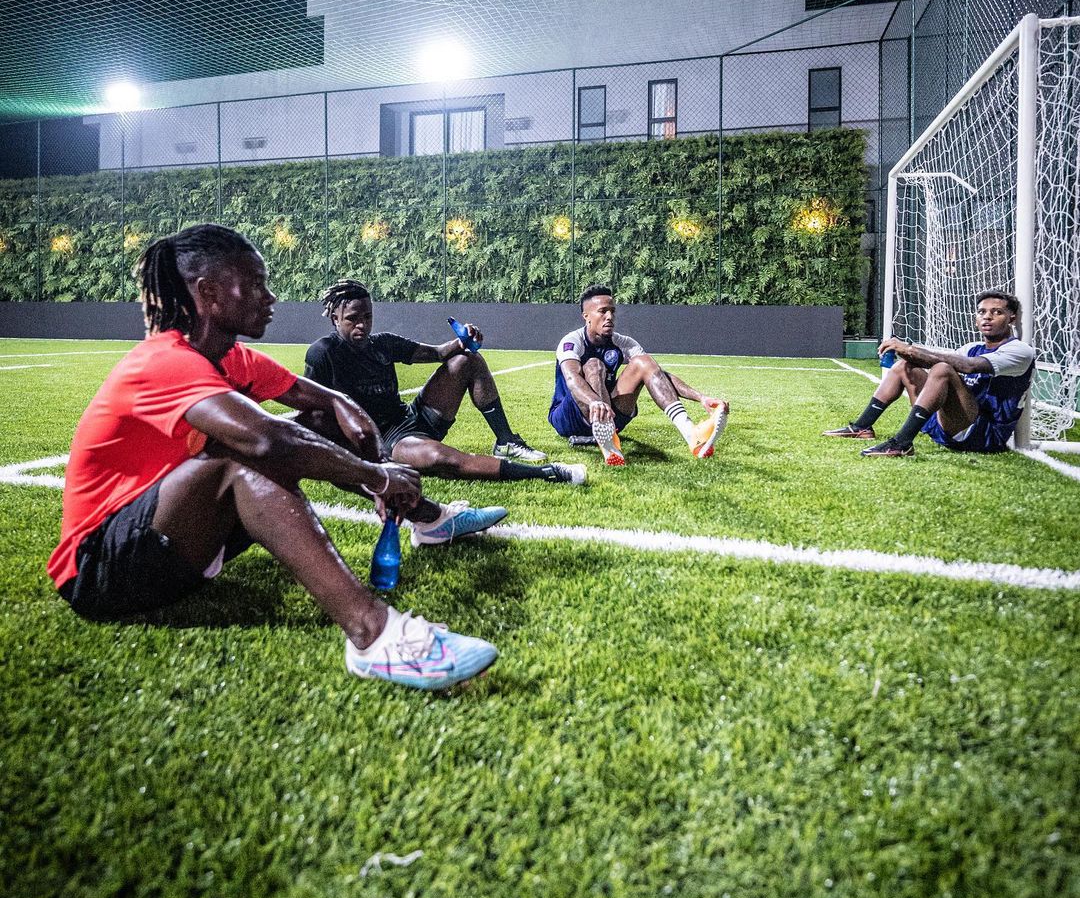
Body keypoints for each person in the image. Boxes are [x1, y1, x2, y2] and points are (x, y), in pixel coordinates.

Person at [47, 224, 505, 691]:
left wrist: (362, 442)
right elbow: (269, 443)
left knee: (314, 426)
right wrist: (378, 476)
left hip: (179, 549)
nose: (269, 297)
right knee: (244, 459)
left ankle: (429, 521)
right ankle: (377, 637)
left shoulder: (234, 359)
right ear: (207, 293)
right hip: (100, 570)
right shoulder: (162, 362)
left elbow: (332, 405)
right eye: (253, 284)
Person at [304, 280, 586, 485]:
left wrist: (463, 340)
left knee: (467, 359)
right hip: (385, 441)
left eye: (367, 317)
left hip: (411, 418)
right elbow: (311, 411)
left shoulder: (383, 343)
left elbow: (438, 353)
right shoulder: (323, 353)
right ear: (334, 317)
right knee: (445, 461)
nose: (362, 325)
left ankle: (506, 441)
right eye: (353, 318)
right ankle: (549, 472)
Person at [823, 289, 1035, 457]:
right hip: (947, 426)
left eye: (997, 312)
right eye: (982, 312)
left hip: (981, 434)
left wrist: (911, 349)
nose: (987, 317)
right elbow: (937, 362)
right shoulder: (972, 346)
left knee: (943, 368)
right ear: (976, 318)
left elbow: (968, 366)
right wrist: (904, 353)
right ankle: (862, 427)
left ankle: (901, 443)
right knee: (904, 367)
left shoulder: (1019, 351)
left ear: (1012, 318)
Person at [548, 284, 729, 465]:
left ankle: (691, 433)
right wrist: (594, 402)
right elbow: (572, 379)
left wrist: (701, 397)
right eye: (602, 311)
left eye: (612, 311)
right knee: (594, 365)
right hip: (570, 417)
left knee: (644, 362)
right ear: (586, 316)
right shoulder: (572, 341)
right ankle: (608, 440)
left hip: (610, 415)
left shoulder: (623, 342)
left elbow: (658, 375)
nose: (609, 316)